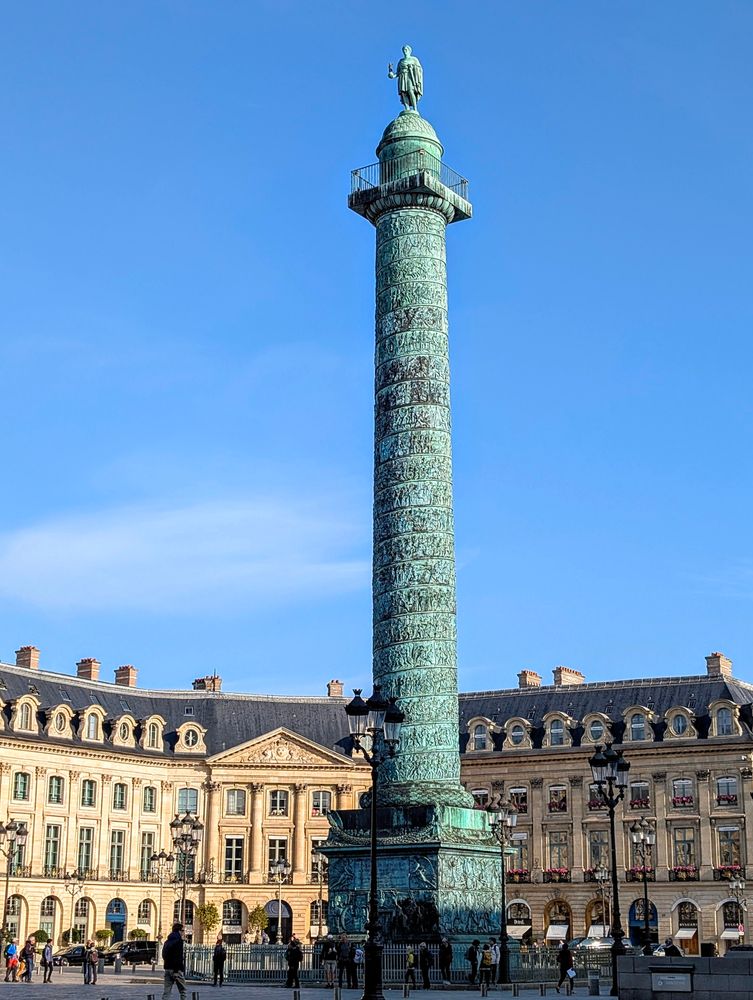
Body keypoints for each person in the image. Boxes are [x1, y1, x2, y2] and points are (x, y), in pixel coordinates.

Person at [162, 922, 187, 1000]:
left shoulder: (167, 941)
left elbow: (164, 955)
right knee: (183, 991)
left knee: (167, 991)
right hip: (176, 970)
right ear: (179, 931)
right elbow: (178, 956)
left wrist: (167, 964)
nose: (184, 932)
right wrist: (176, 971)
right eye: (183, 930)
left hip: (167, 969)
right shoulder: (179, 941)